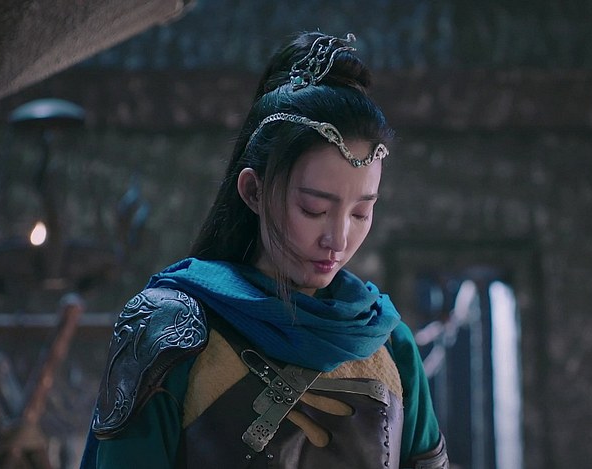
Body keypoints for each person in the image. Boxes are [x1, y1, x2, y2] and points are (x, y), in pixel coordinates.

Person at [80, 31, 449, 469]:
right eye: (314, 209)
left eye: (360, 213)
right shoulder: (171, 332)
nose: (338, 239)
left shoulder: (390, 343)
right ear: (253, 191)